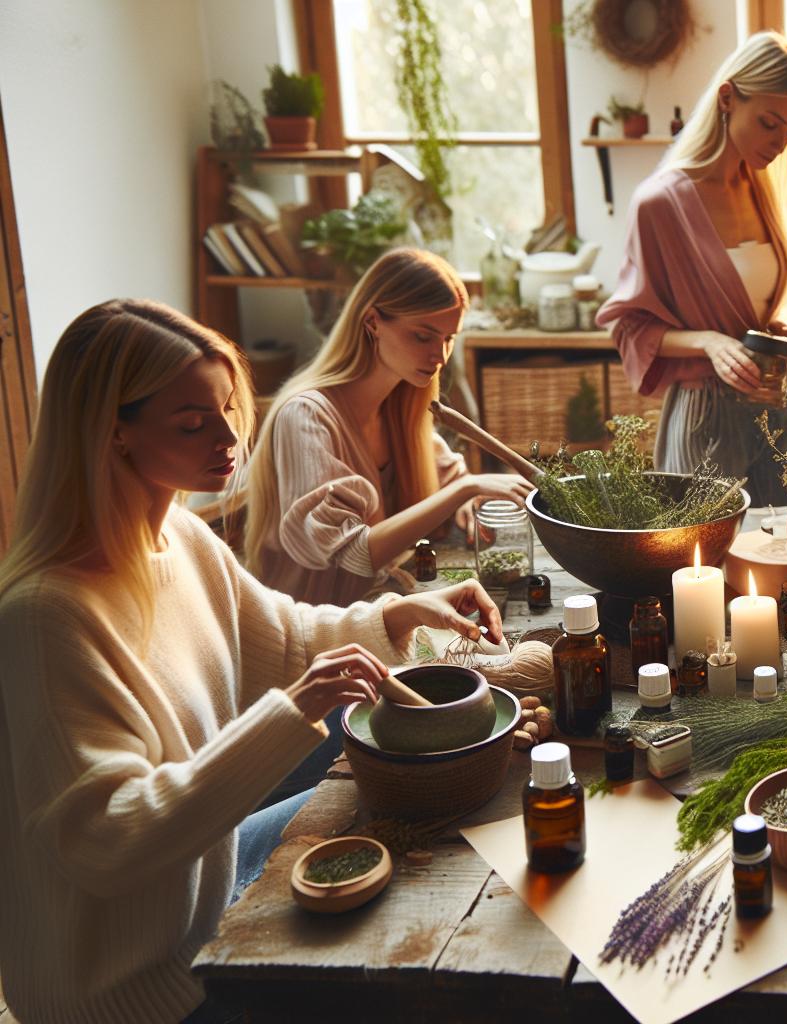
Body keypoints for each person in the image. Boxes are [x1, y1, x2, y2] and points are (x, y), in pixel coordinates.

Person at [0, 300, 507, 1023]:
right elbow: (108, 842)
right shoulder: (47, 616)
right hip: (135, 988)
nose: (230, 435)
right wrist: (295, 710)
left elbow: (287, 636)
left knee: (421, 799)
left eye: (229, 408)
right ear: (113, 432)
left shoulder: (179, 536)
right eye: (191, 422)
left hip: (204, 880)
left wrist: (398, 612)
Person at [596, 31, 787, 504]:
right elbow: (629, 326)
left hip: (775, 408)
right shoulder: (660, 204)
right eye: (769, 123)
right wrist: (709, 342)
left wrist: (784, 336)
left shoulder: (762, 193)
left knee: (783, 557)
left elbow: (748, 316)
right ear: (727, 98)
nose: (780, 143)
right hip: (705, 416)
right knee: (705, 568)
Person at [240, 247, 533, 606]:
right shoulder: (306, 417)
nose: (439, 356)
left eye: (448, 339)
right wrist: (466, 490)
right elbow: (356, 555)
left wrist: (468, 502)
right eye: (423, 336)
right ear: (373, 322)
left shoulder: (399, 409)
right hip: (312, 633)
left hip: (379, 610)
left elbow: (448, 476)